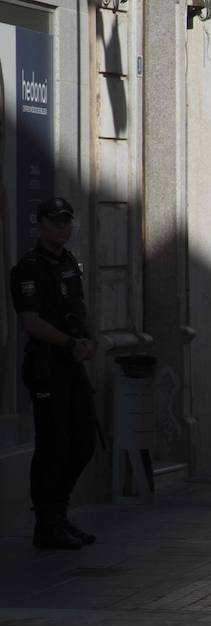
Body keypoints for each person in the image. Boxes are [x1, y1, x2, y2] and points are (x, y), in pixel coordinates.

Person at [10, 197, 100, 550]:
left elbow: (80, 308)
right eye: (54, 221)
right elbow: (31, 322)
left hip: (72, 366)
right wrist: (68, 344)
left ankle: (59, 514)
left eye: (66, 220)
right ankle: (46, 524)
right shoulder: (28, 268)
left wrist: (91, 340)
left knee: (83, 443)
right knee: (53, 446)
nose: (61, 226)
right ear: (41, 225)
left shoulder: (69, 264)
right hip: (47, 366)